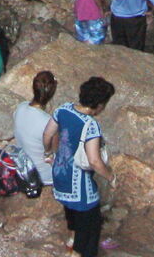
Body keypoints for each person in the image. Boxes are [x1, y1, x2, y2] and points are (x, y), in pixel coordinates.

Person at [52, 76, 115, 257]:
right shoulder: (91, 125)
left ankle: (71, 241)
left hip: (60, 175)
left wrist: (53, 155)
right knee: (90, 225)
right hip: (79, 185)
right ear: (100, 104)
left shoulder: (63, 109)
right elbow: (94, 161)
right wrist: (111, 177)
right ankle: (77, 252)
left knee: (72, 213)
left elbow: (49, 134)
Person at [12, 69, 59, 189]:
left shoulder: (21, 107)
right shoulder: (50, 123)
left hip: (25, 167)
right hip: (45, 175)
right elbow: (57, 153)